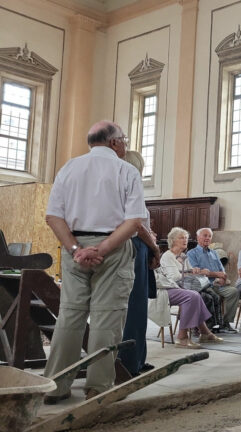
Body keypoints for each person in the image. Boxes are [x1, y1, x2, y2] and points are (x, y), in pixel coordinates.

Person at [43, 121, 145, 404]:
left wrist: (77, 248)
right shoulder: (126, 170)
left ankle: (55, 386)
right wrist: (101, 248)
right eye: (123, 140)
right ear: (114, 143)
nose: (124, 144)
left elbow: (53, 216)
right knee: (107, 318)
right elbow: (134, 221)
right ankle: (97, 388)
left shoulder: (70, 168)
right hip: (112, 248)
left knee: (70, 316)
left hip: (74, 247)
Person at [117, 151, 162, 377]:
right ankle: (130, 362)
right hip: (134, 247)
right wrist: (154, 246)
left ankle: (132, 358)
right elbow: (136, 224)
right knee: (135, 307)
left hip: (122, 244)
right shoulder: (130, 184)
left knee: (121, 308)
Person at [151, 227, 224, 348]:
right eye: (181, 238)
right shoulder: (168, 256)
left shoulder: (183, 255)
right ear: (173, 240)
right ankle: (183, 337)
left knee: (198, 296)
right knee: (194, 296)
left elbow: (189, 274)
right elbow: (174, 277)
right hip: (166, 288)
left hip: (180, 286)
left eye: (186, 238)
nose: (185, 240)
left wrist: (198, 271)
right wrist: (191, 271)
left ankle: (205, 333)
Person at [187, 228, 239, 333]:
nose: (207, 238)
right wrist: (216, 274)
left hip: (217, 284)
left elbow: (222, 271)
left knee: (234, 292)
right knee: (210, 296)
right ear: (198, 238)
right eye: (205, 235)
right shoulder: (192, 253)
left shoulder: (214, 253)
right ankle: (208, 325)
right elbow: (197, 272)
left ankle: (225, 323)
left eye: (209, 236)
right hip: (203, 285)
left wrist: (222, 278)